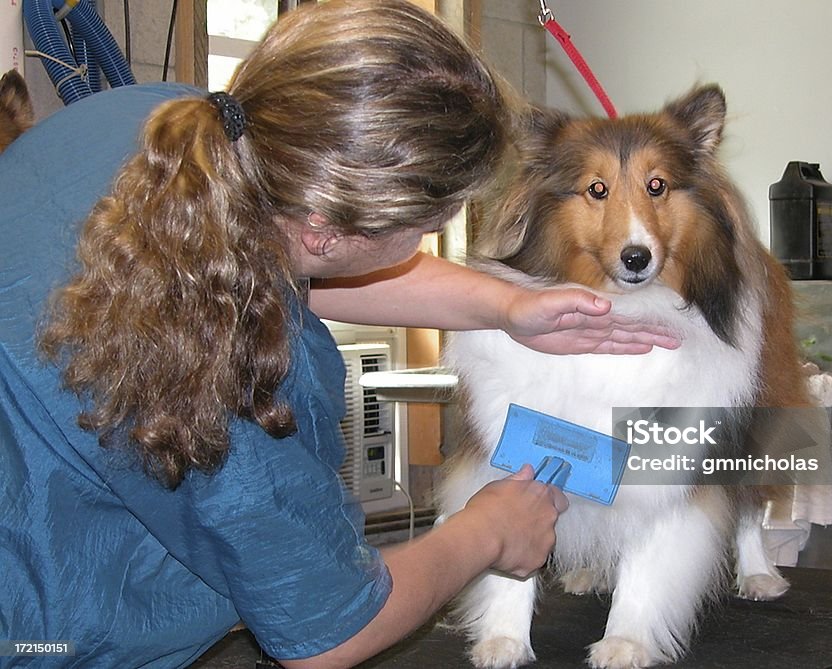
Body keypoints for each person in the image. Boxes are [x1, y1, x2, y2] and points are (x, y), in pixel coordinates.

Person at [0, 1, 677, 667]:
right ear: (329, 226)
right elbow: (327, 633)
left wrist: (506, 304)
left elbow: (291, 255)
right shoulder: (234, 376)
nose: (428, 240)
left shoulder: (168, 127)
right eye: (427, 224)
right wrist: (488, 530)